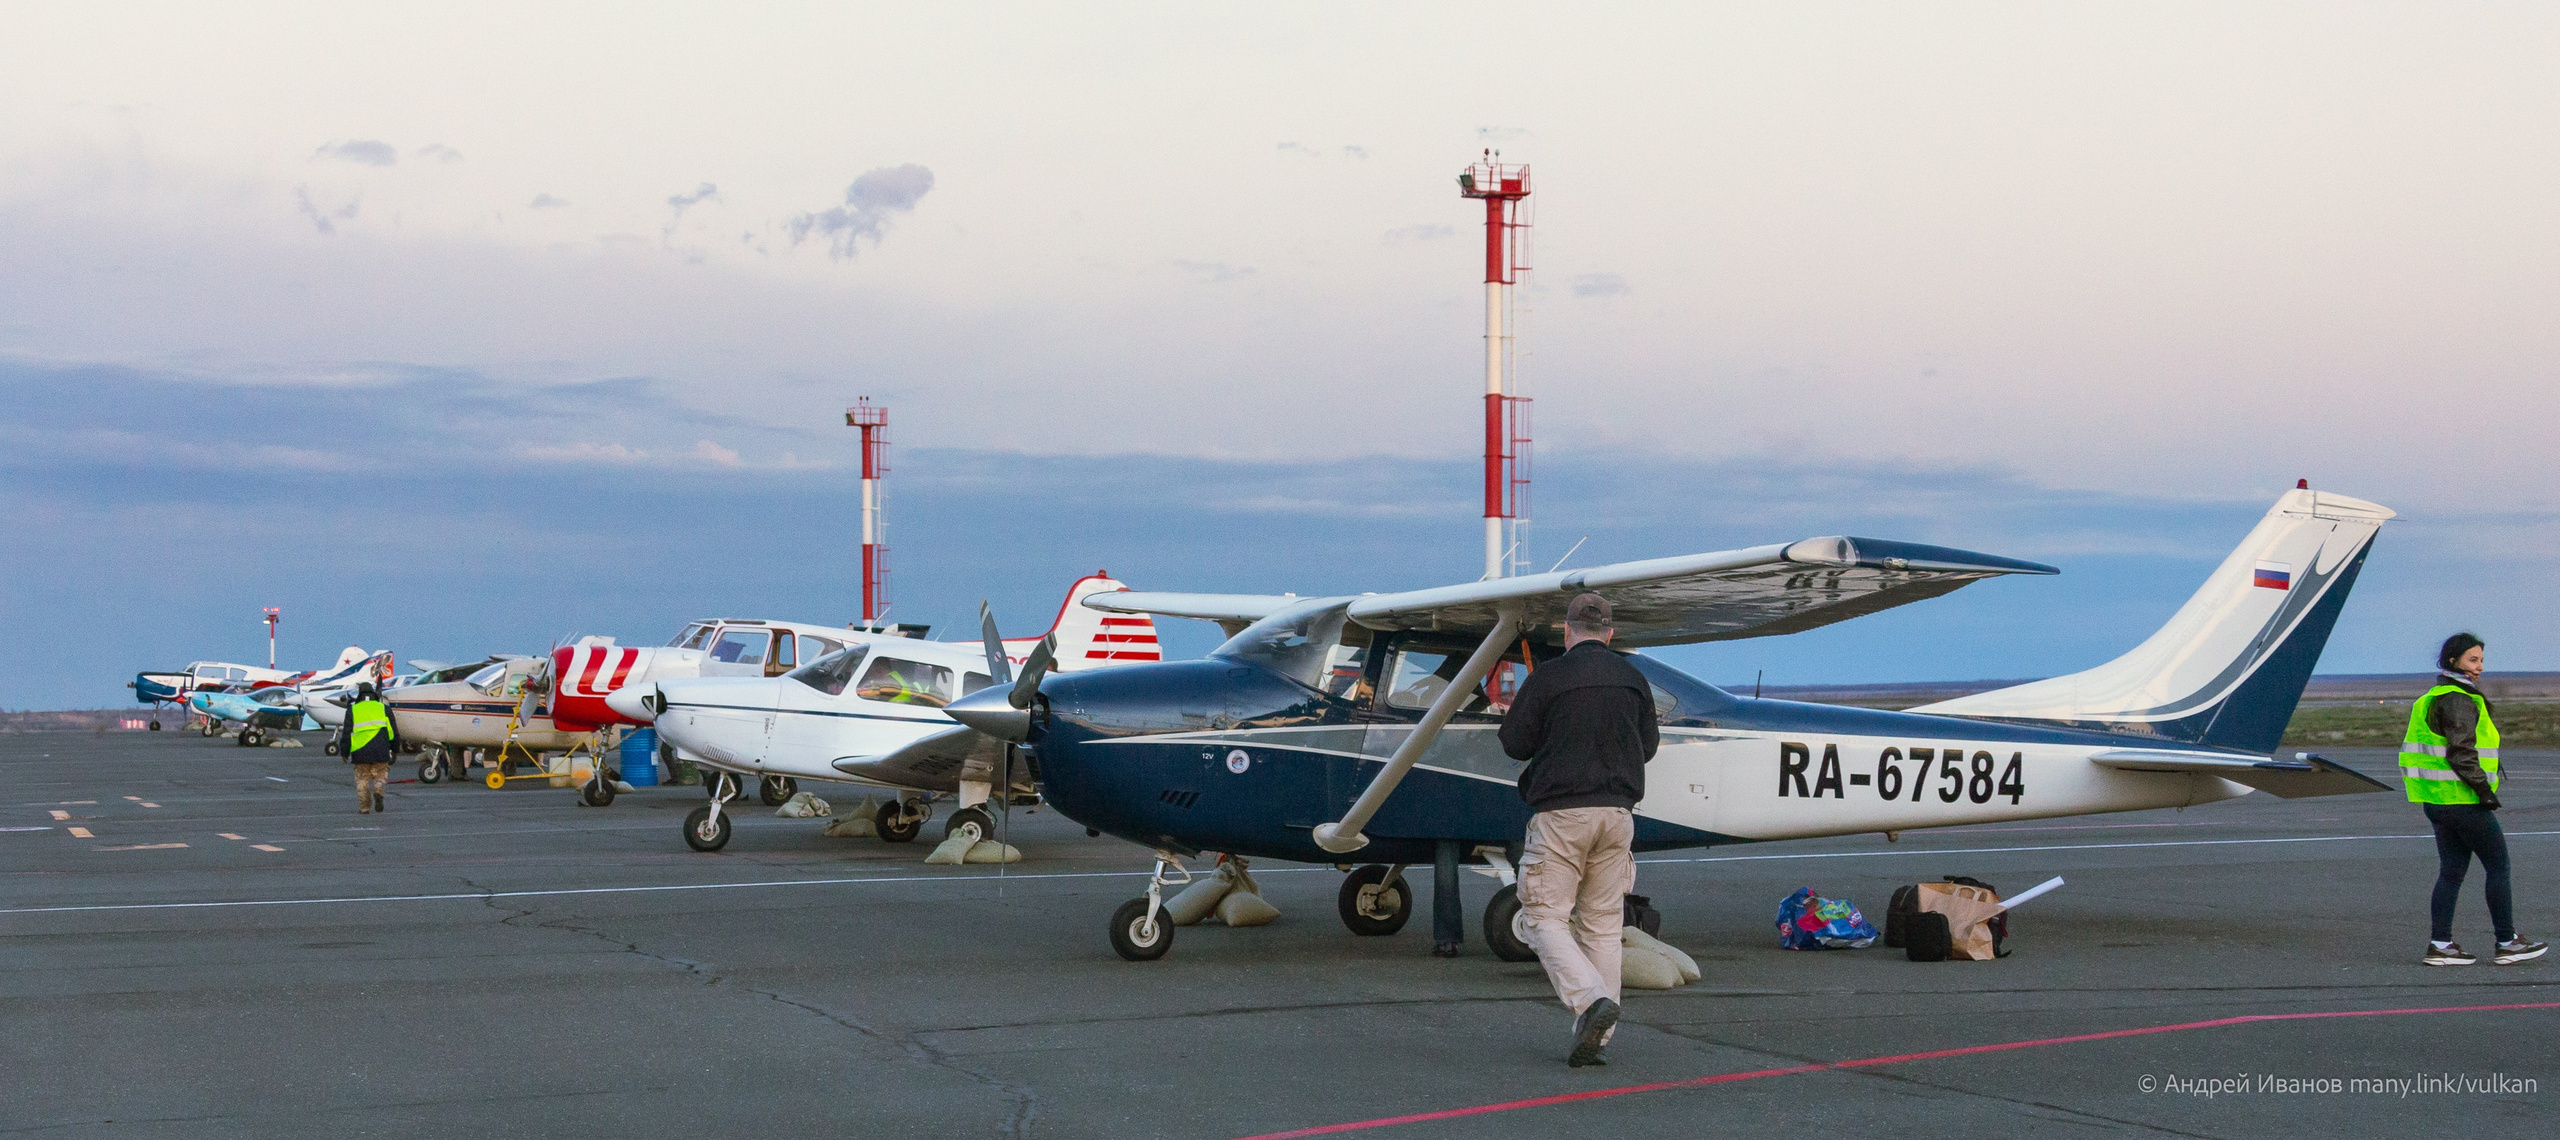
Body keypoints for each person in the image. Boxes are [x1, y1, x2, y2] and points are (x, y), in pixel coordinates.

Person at [1498, 592, 1660, 1067]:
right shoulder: (1633, 680)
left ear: (1567, 632)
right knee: (1603, 927)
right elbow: (1647, 747)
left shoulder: (1549, 677)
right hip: (1618, 815)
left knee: (1542, 917)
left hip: (1563, 815)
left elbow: (1513, 743)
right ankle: (1597, 1038)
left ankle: (1590, 1003)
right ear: (1609, 634)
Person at [2405, 633, 2544, 966]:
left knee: (2451, 872)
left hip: (2437, 801)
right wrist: (2485, 792)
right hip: (2463, 800)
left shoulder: (2433, 696)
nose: (2479, 667)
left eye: (2481, 660)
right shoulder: (2457, 698)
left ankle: (2441, 945)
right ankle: (2507, 942)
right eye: (2472, 659)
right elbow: (2462, 752)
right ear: (2453, 661)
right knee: (2498, 866)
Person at [339, 682, 398, 815]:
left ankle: (364, 808)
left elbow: (346, 734)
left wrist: (344, 752)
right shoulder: (384, 709)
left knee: (362, 779)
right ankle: (378, 791)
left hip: (360, 752)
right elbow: (393, 732)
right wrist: (395, 749)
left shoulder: (352, 710)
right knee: (380, 776)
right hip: (381, 749)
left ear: (359, 693)